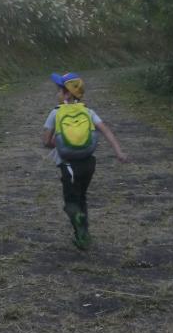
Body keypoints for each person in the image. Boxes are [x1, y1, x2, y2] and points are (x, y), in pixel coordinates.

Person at [42, 71, 127, 249]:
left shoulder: (56, 113)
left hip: (68, 165)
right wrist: (118, 151)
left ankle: (78, 222)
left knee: (71, 203)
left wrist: (59, 143)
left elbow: (46, 141)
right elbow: (106, 130)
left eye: (59, 90)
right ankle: (83, 237)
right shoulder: (88, 111)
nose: (57, 94)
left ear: (67, 94)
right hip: (88, 163)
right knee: (82, 197)